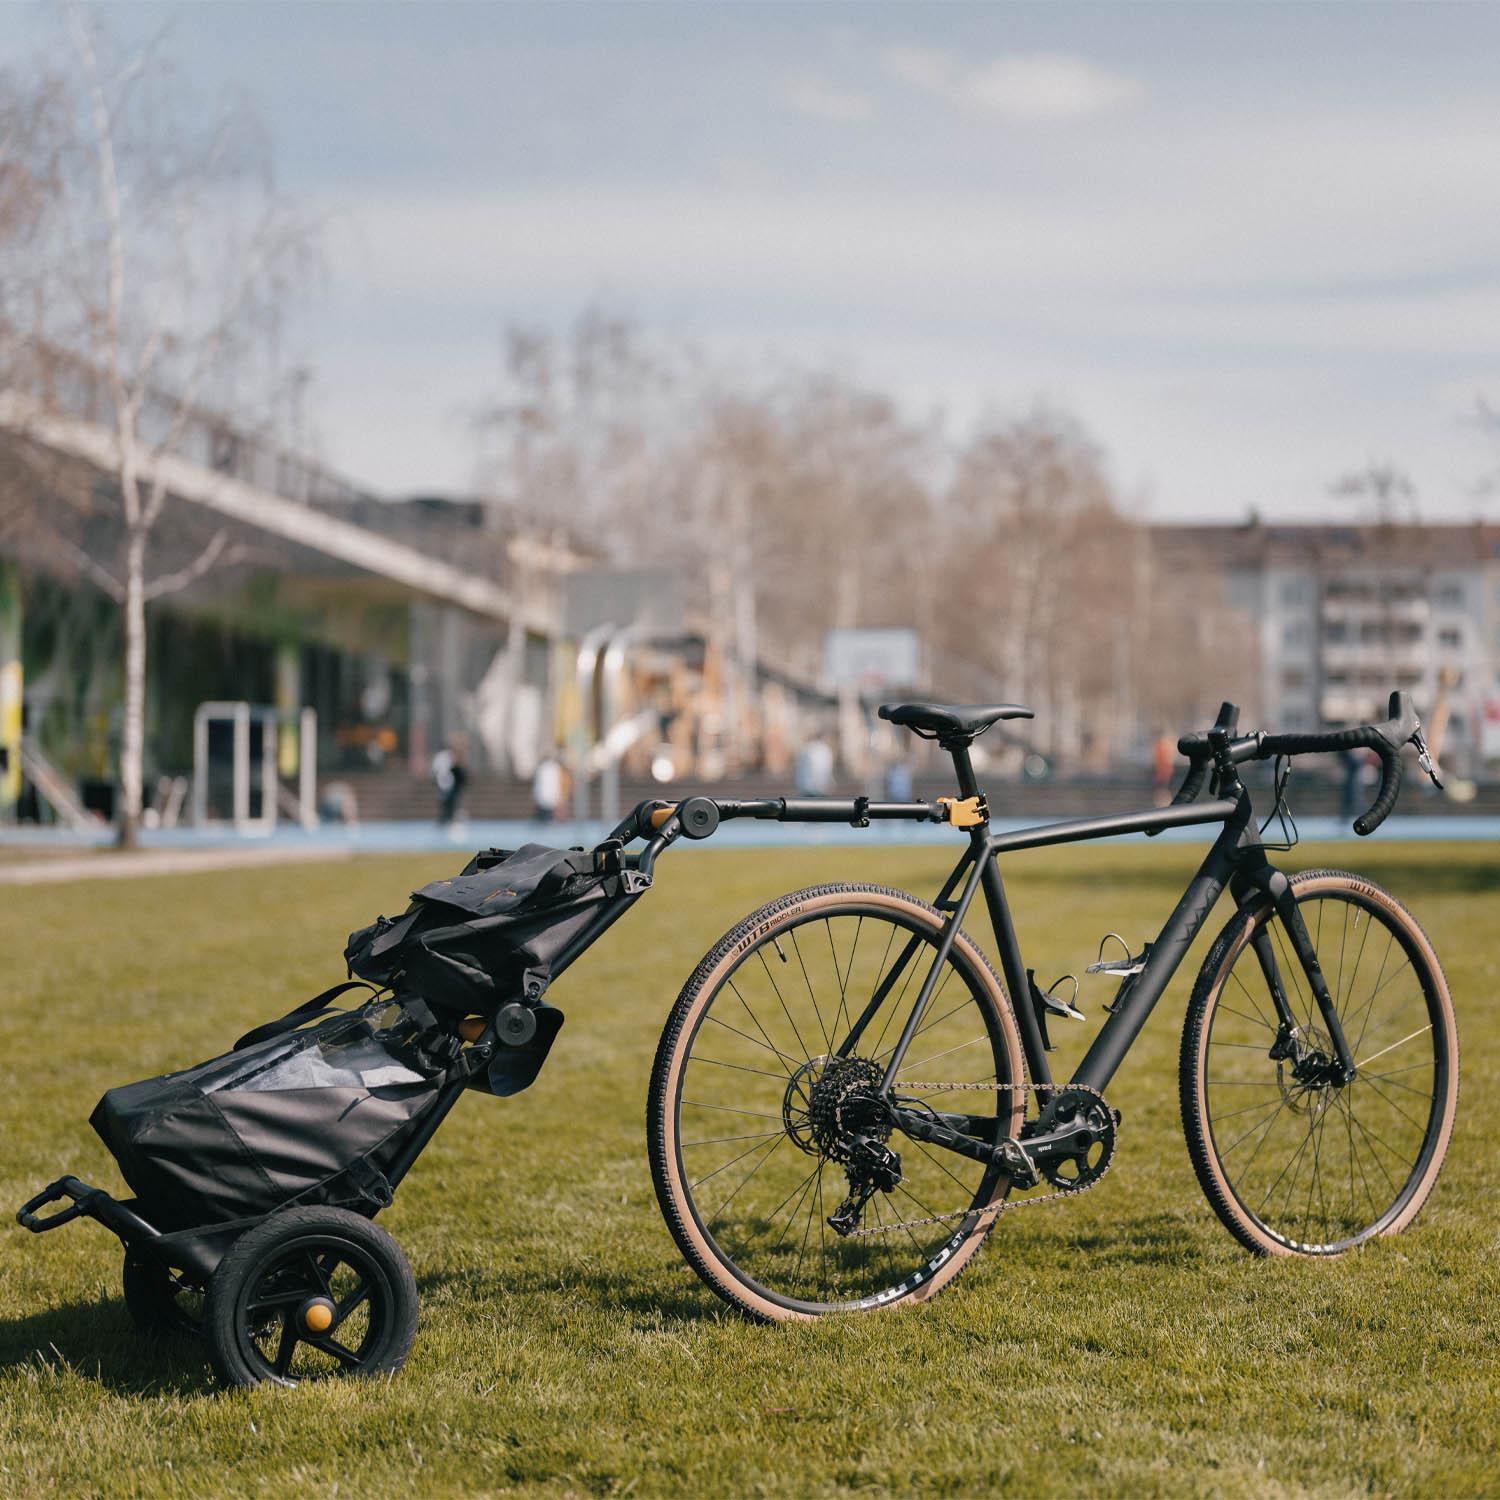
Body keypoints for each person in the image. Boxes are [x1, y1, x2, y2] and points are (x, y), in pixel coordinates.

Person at [432, 736, 468, 826]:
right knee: (446, 802)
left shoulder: (447, 756)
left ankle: (448, 817)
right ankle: (446, 817)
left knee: (449, 801)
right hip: (446, 781)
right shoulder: (445, 756)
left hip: (450, 782)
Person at [532, 749, 564, 823]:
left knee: (545, 817)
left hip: (544, 797)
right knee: (546, 817)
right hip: (549, 797)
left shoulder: (543, 767)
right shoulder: (555, 767)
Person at [1151, 731, 1176, 807]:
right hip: (1162, 773)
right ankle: (1163, 803)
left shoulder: (1162, 745)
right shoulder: (1161, 745)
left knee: (1162, 789)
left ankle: (1164, 804)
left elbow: (1165, 760)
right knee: (1162, 789)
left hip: (1163, 773)